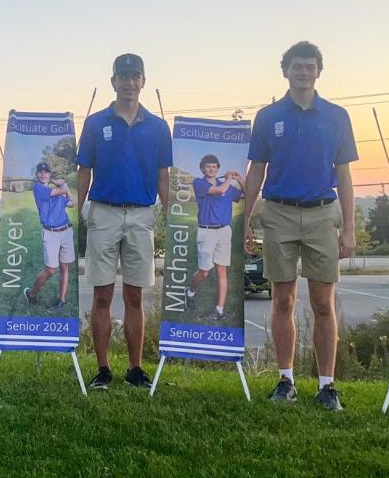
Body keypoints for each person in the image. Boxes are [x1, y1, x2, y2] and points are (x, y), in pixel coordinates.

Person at [242, 40, 357, 411]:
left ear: (318, 72)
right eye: (297, 66)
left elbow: (344, 174)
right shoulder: (268, 116)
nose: (303, 72)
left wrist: (350, 226)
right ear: (285, 71)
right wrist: (246, 220)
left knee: (323, 303)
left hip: (323, 213)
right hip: (279, 213)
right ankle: (286, 380)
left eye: (309, 66)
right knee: (283, 300)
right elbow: (256, 170)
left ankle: (327, 385)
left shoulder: (336, 116)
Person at [77, 53, 172, 390]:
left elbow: (164, 177)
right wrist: (76, 213)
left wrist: (172, 213)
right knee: (102, 296)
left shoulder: (159, 127)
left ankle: (135, 369)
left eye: (136, 76)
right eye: (124, 77)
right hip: (103, 213)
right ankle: (103, 370)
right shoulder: (95, 123)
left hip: (142, 216)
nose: (130, 83)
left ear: (143, 81)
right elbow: (83, 172)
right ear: (113, 81)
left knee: (135, 297)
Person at [186, 155, 244, 323]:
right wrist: (228, 179)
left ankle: (219, 310)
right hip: (206, 231)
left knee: (221, 271)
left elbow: (247, 192)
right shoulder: (199, 183)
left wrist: (239, 179)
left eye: (214, 166)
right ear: (203, 169)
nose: (211, 169)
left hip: (224, 231)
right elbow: (220, 191)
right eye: (208, 166)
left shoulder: (226, 185)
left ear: (217, 168)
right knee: (204, 271)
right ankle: (190, 292)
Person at [24, 162, 75, 312]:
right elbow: (60, 191)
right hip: (50, 232)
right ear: (37, 175)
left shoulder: (57, 191)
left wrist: (63, 187)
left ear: (49, 174)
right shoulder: (38, 189)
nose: (43, 174)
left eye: (46, 172)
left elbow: (72, 203)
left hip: (65, 230)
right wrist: (62, 184)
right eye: (40, 172)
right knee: (51, 270)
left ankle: (62, 300)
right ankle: (32, 294)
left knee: (65, 267)